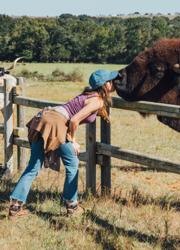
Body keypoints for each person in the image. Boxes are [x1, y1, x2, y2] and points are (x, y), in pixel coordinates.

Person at [8, 69, 118, 219]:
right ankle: (72, 205)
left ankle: (15, 207)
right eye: (112, 81)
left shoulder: (88, 95)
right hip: (56, 124)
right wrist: (72, 140)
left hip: (43, 119)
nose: (115, 84)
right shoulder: (97, 100)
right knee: (72, 165)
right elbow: (74, 120)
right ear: (106, 84)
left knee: (33, 166)